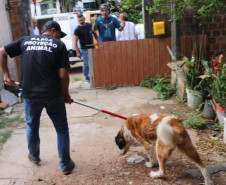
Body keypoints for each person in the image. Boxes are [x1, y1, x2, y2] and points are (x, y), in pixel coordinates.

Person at [0, 21, 75, 175]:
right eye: (59, 35)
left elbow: (1, 52)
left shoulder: (25, 40)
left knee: (32, 126)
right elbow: (62, 75)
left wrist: (5, 74)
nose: (59, 39)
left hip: (30, 95)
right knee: (61, 129)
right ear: (53, 30)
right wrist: (65, 94)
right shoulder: (58, 45)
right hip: (52, 95)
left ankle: (34, 156)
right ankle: (65, 165)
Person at [74, 14, 97, 83]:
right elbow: (75, 42)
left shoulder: (89, 25)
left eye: (82, 20)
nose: (81, 21)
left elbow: (95, 34)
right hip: (84, 49)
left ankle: (94, 76)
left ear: (84, 19)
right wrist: (77, 52)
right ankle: (87, 78)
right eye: (80, 20)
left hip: (92, 47)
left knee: (93, 63)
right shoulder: (77, 30)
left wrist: (98, 40)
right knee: (86, 64)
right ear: (78, 21)